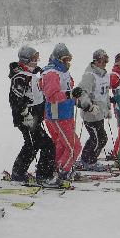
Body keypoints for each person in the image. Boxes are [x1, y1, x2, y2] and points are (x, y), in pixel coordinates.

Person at [8, 46, 56, 184]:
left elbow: (36, 95)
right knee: (45, 145)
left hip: (35, 118)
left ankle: (20, 173)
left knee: (33, 145)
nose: (36, 61)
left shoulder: (31, 74)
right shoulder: (20, 77)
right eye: (34, 58)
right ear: (26, 60)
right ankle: (42, 175)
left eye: (37, 58)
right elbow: (15, 100)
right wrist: (25, 114)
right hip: (27, 119)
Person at [41, 43, 82, 183]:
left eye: (69, 59)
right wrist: (70, 94)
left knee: (63, 145)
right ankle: (63, 172)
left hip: (66, 113)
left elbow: (68, 90)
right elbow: (52, 96)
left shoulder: (63, 71)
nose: (67, 62)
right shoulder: (52, 73)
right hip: (58, 114)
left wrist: (77, 99)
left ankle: (56, 168)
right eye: (65, 59)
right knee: (74, 146)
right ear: (57, 59)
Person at [77, 49, 111, 171]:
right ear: (95, 61)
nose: (104, 63)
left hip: (100, 114)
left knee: (100, 138)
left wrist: (107, 108)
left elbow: (105, 94)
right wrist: (89, 106)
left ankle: (87, 159)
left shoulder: (105, 75)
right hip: (91, 114)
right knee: (98, 139)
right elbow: (82, 92)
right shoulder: (89, 75)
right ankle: (88, 161)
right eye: (101, 61)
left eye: (106, 61)